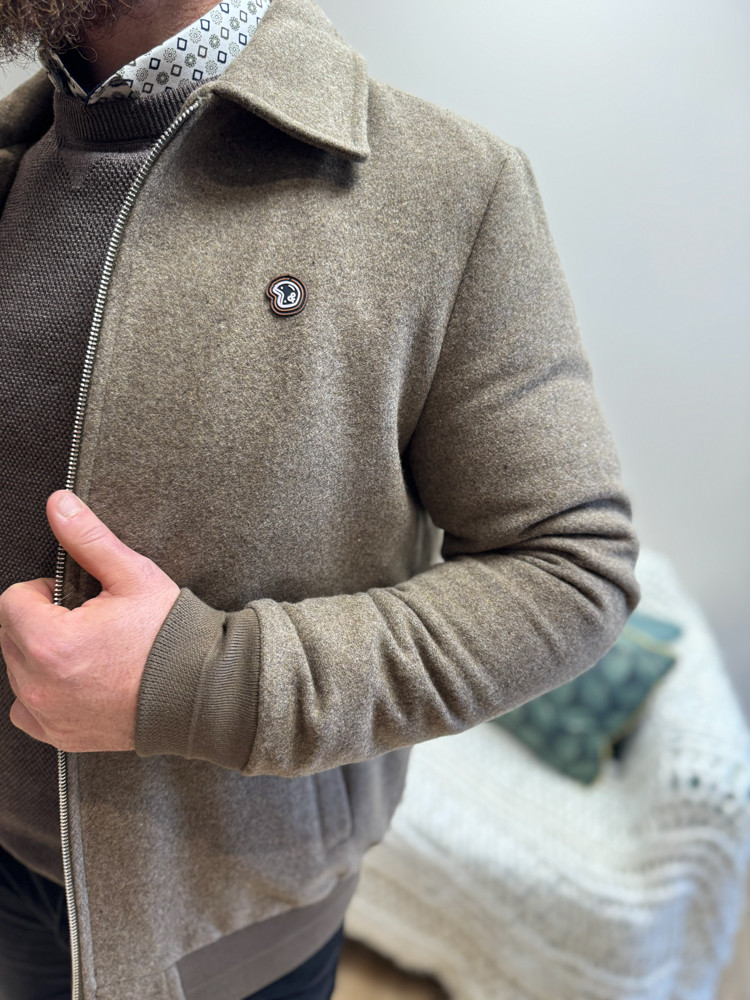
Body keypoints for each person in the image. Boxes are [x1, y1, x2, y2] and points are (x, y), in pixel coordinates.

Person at [0, 0, 641, 997]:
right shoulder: (16, 158)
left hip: (235, 928)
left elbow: (571, 574)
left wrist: (204, 680)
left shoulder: (451, 189)